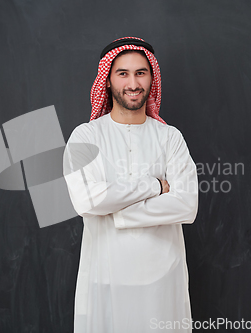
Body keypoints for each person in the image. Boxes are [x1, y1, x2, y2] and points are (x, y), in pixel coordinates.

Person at [63, 37, 199, 333]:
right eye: (122, 73)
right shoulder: (86, 137)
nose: (133, 83)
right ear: (108, 81)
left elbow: (187, 205)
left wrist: (118, 212)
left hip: (163, 280)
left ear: (152, 79)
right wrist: (153, 186)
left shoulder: (170, 138)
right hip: (106, 276)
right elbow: (87, 201)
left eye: (141, 73)